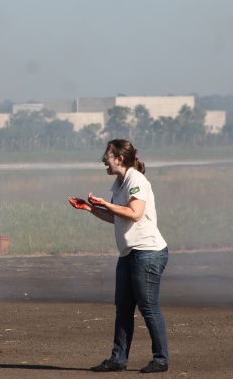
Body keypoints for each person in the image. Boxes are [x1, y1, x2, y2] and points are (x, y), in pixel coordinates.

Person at [68, 139, 169, 374]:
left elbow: (134, 213)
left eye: (107, 155)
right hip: (129, 253)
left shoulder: (136, 179)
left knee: (148, 307)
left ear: (119, 159)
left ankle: (161, 360)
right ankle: (118, 359)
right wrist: (90, 208)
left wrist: (104, 203)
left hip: (148, 252)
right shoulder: (119, 183)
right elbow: (117, 217)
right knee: (123, 307)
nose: (104, 159)